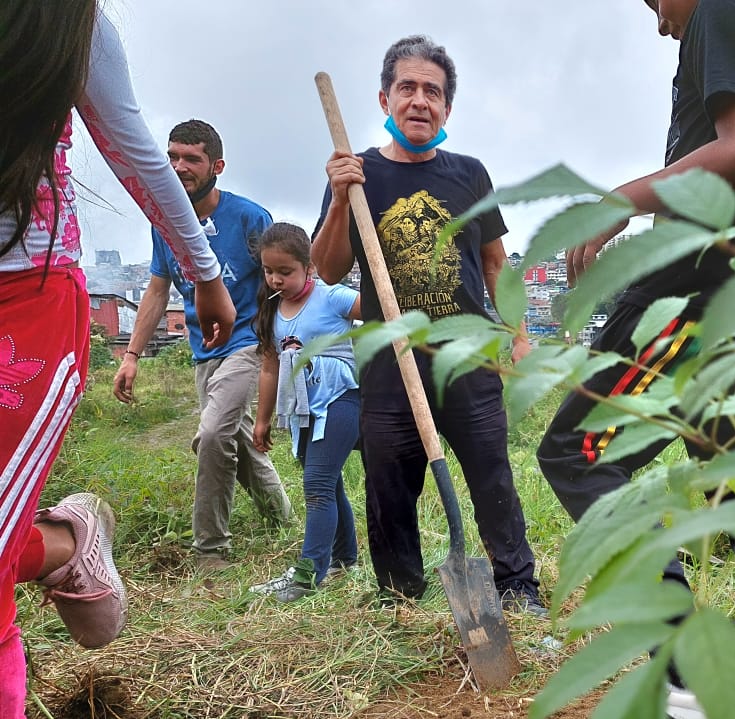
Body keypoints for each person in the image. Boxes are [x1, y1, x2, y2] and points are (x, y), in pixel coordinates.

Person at [536, 0, 735, 719]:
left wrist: (618, 201)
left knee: (579, 451)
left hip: (697, 288)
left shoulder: (723, 6)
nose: (659, 22)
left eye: (653, 1)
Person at [1, 3, 235, 719]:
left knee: (222, 438)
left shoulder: (68, 22)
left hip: (24, 301)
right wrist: (139, 347)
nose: (184, 163)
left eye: (195, 158)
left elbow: (133, 154)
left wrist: (207, 276)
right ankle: (64, 544)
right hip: (164, 330)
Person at [312, 35, 544, 616]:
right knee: (389, 485)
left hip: (468, 358)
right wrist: (341, 199)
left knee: (492, 476)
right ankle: (401, 599)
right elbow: (329, 266)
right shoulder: (356, 174)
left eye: (433, 91)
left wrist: (517, 334)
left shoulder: (468, 174)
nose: (421, 100)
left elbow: (495, 264)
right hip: (390, 364)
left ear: (447, 108)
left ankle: (518, 590)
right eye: (408, 88)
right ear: (385, 97)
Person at [113, 120, 293, 571]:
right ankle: (283, 520)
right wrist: (131, 356)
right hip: (203, 352)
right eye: (172, 157)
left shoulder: (250, 218)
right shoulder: (165, 223)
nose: (179, 167)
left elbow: (278, 282)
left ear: (217, 166)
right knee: (234, 439)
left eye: (191, 159)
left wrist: (277, 343)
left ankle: (211, 549)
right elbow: (156, 292)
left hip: (249, 344)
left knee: (212, 434)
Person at [248, 223, 362, 603]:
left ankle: (307, 575)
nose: (276, 279)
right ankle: (345, 560)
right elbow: (269, 367)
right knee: (329, 484)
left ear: (308, 267)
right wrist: (262, 420)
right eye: (269, 271)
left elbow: (380, 308)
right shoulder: (272, 309)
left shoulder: (332, 298)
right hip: (303, 410)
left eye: (285, 272)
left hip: (341, 400)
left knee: (316, 486)